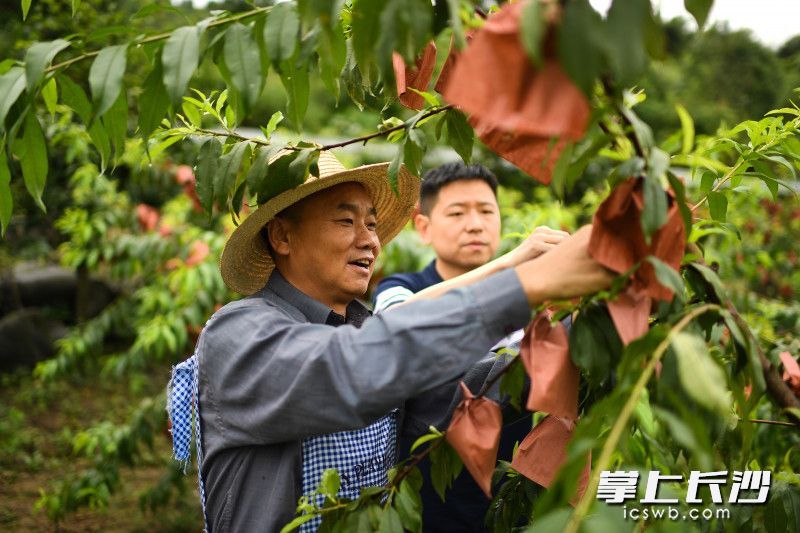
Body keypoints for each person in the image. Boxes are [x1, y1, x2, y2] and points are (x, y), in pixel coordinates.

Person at [169, 152, 612, 532]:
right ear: (283, 236)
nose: (370, 241)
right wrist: (524, 284)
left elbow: (477, 396)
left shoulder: (361, 331)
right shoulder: (239, 332)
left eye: (372, 224)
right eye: (346, 221)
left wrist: (597, 322)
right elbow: (350, 371)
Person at [372, 162, 569, 531]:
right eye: (457, 213)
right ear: (423, 228)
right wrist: (510, 264)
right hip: (432, 505)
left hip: (510, 502)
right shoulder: (403, 288)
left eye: (486, 211)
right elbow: (391, 326)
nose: (475, 224)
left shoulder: (532, 293)